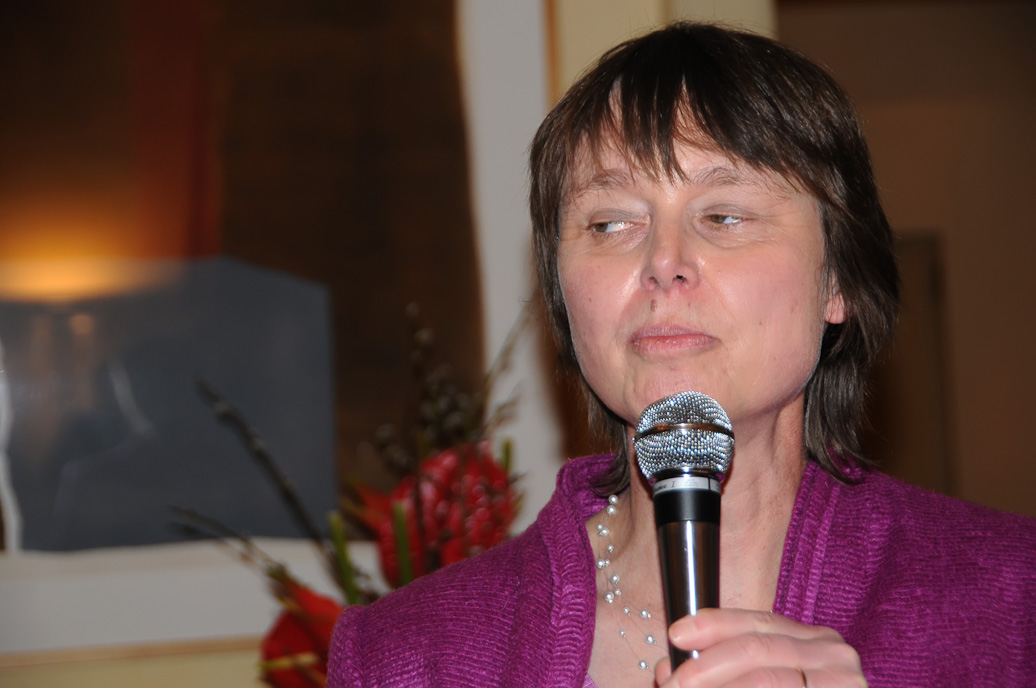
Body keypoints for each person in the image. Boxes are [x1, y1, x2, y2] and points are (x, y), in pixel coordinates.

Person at [328, 22, 1036, 687]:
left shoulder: (1009, 600)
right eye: (611, 223)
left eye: (724, 215)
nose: (663, 262)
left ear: (838, 281)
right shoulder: (406, 654)